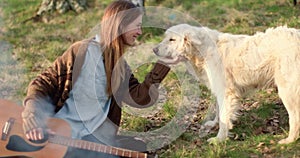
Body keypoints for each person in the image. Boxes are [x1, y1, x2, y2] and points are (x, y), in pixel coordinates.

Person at [21, 0, 182, 157]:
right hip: (56, 136)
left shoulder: (120, 66)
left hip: (89, 141)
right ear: (121, 25)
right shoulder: (81, 51)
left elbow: (140, 98)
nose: (140, 32)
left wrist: (164, 63)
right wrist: (33, 117)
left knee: (138, 148)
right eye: (137, 26)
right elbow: (41, 83)